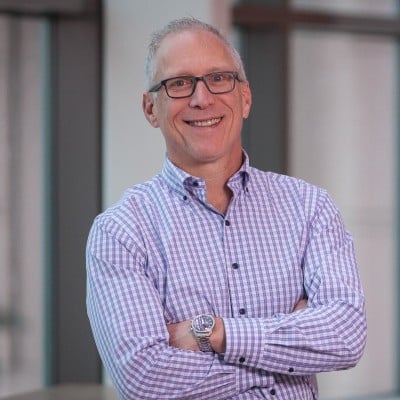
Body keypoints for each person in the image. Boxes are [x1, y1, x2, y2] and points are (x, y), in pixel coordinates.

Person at [86, 17, 367, 399]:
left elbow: (346, 335)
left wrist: (214, 332)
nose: (202, 99)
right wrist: (282, 365)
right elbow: (144, 377)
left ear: (245, 97)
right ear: (150, 108)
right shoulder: (121, 232)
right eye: (179, 83)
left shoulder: (309, 208)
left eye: (219, 78)